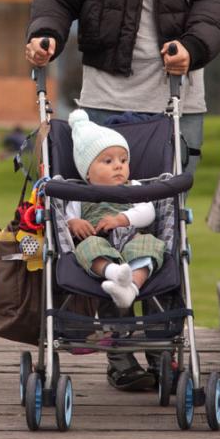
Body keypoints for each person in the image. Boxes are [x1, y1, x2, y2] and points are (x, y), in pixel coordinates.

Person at [25, 0, 220, 390]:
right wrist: (44, 35)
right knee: (102, 221)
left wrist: (193, 43)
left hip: (177, 96)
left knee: (162, 220)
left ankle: (165, 345)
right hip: (108, 97)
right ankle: (121, 357)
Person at [67, 109, 165, 308]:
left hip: (131, 238)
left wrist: (121, 219)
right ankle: (113, 272)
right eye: (108, 161)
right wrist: (74, 223)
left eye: (123, 160)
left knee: (149, 244)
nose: (118, 166)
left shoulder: (134, 186)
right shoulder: (79, 194)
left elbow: (148, 212)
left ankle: (131, 287)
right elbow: (67, 219)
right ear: (88, 172)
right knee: (86, 249)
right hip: (99, 241)